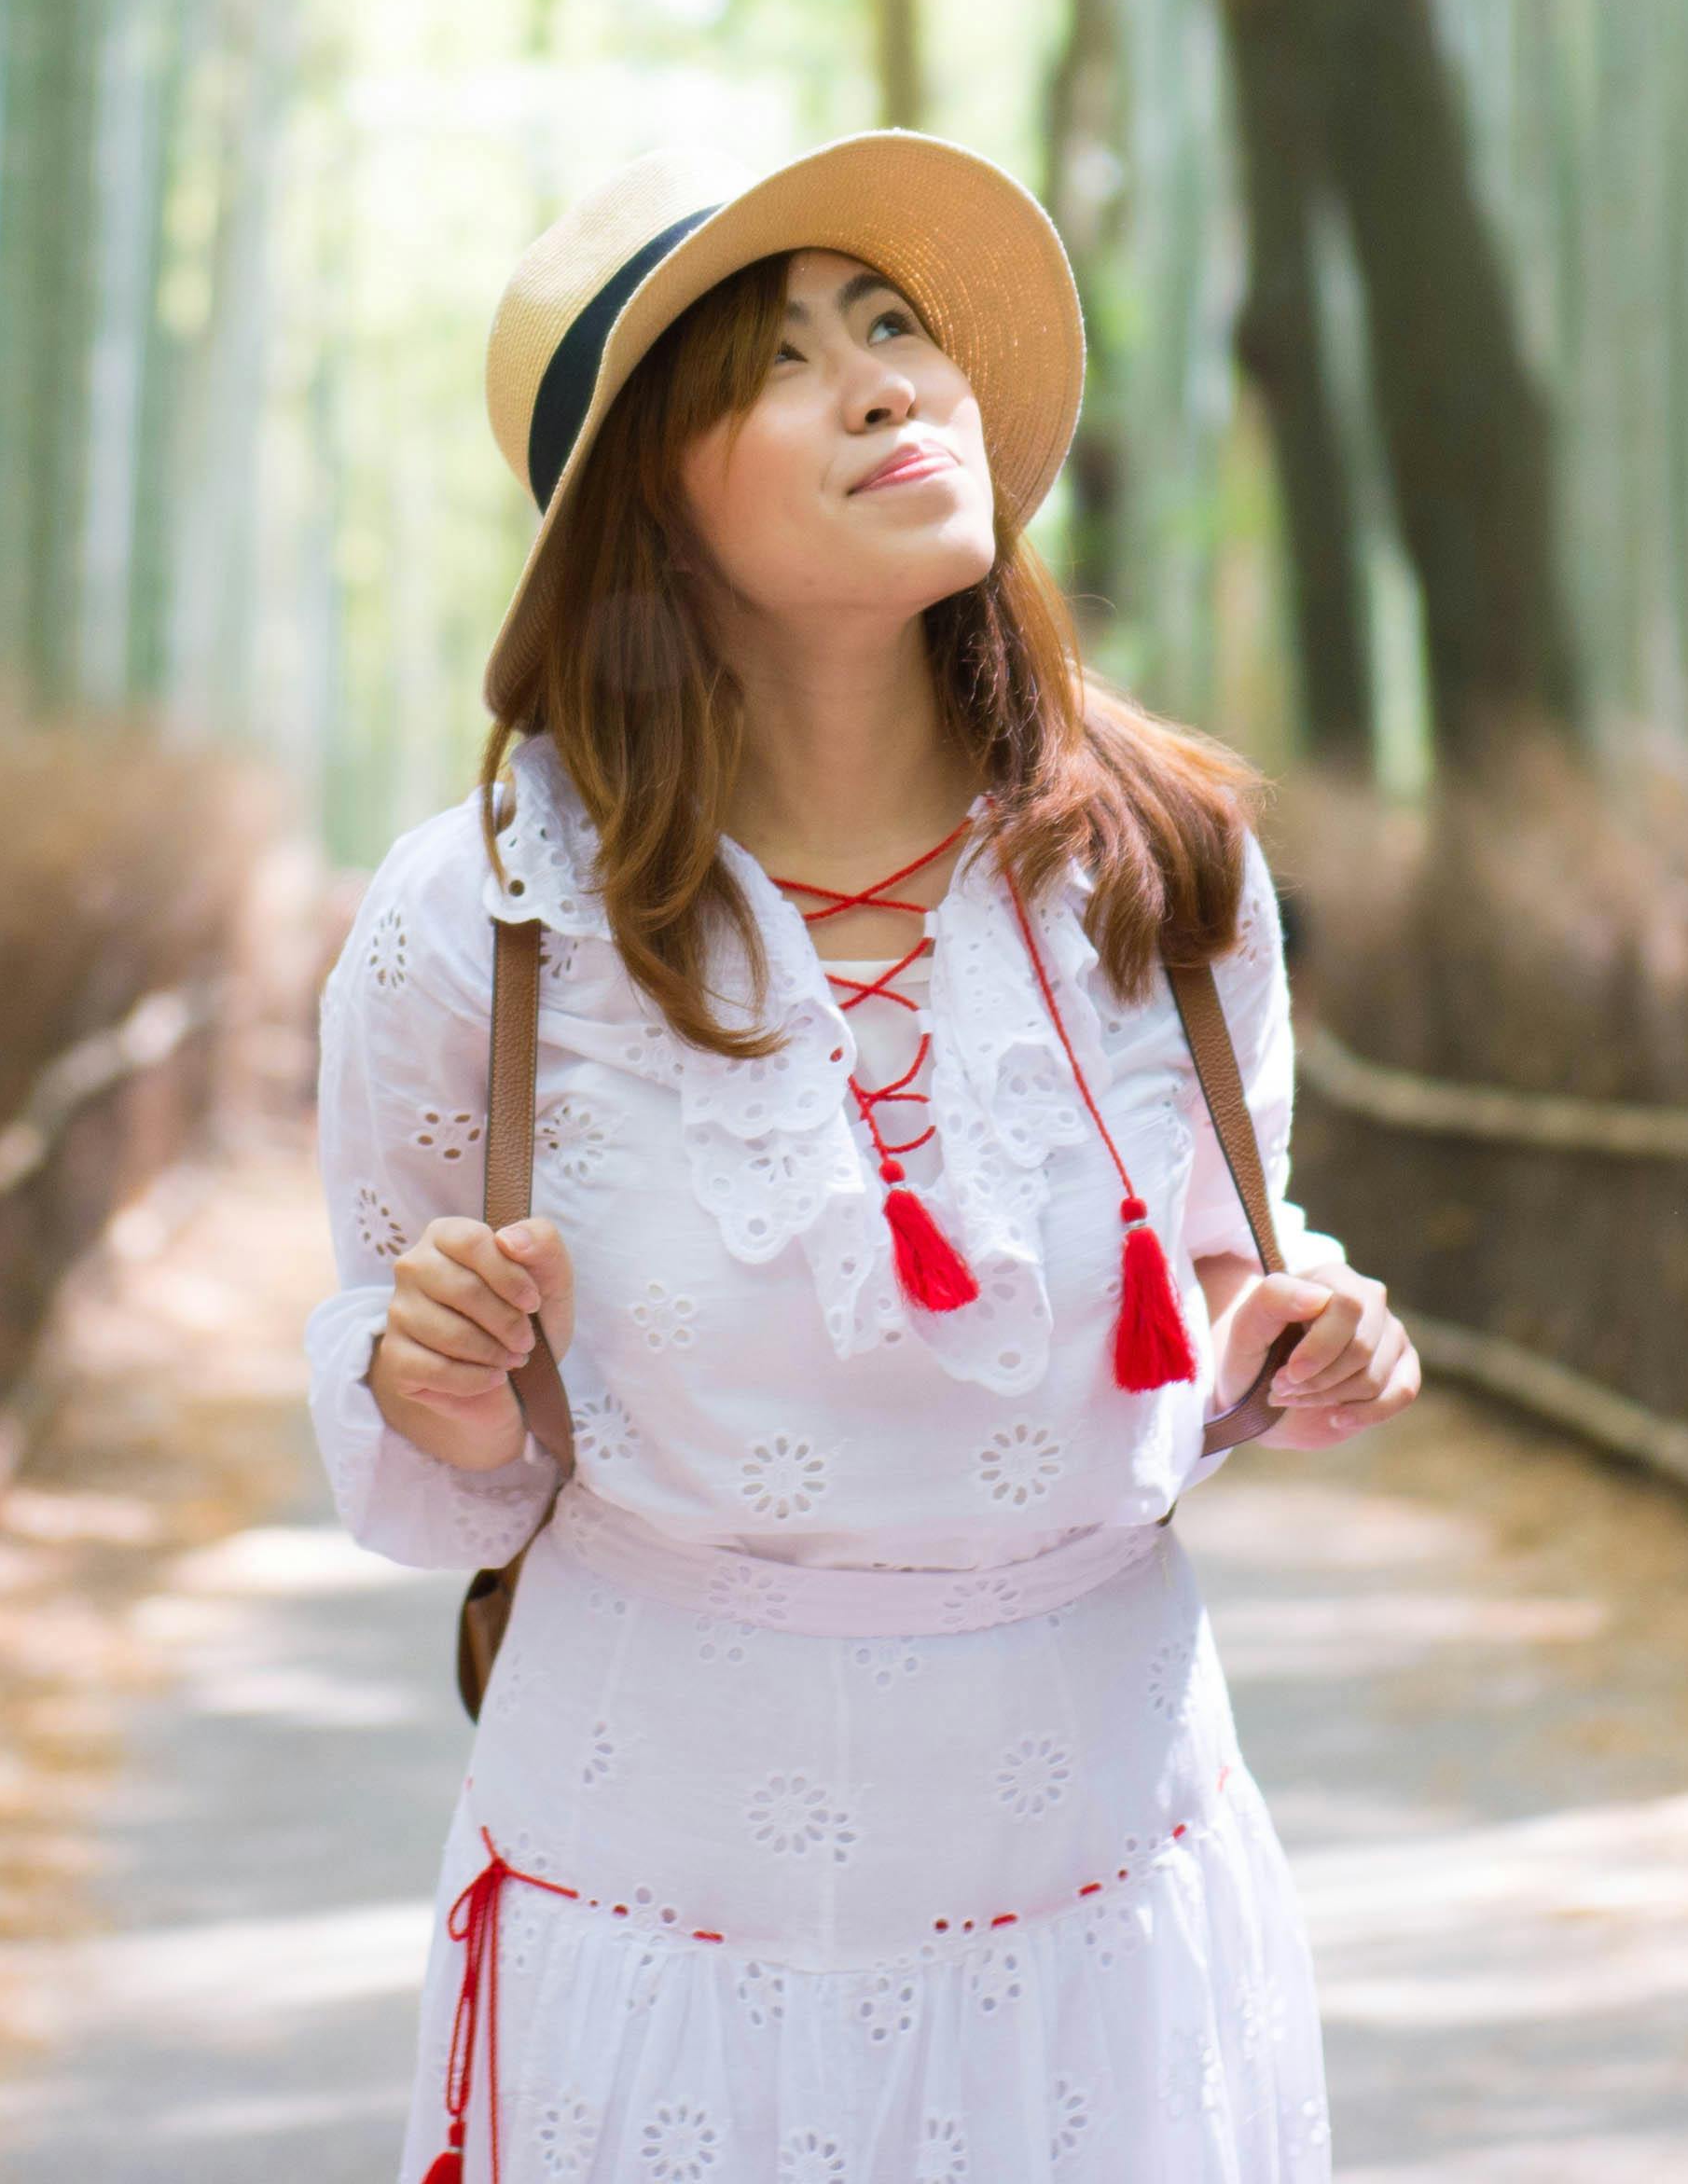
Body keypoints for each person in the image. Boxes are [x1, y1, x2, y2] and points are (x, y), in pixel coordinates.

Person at [311, 131, 1422, 2184]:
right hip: (654, 1919)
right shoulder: (485, 923)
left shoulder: (1164, 872)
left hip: (1101, 1897)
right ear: (646, 501)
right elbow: (436, 1449)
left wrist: (1296, 1339)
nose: (886, 382)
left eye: (895, 326)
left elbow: (1203, 1282)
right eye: (780, 357)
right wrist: (429, 1367)